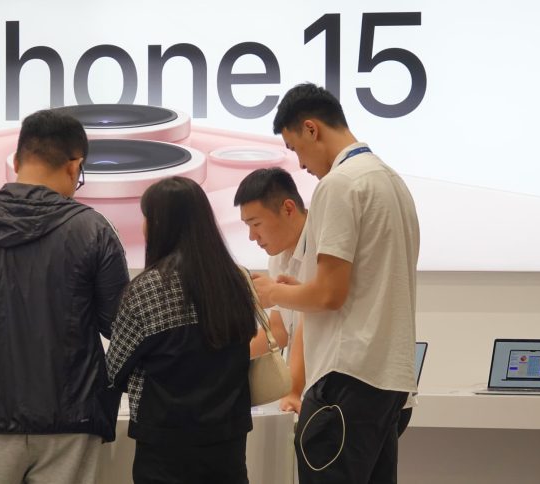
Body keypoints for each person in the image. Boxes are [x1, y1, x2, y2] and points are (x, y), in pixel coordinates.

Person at [0, 109, 129, 484]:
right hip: (71, 418)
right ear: (74, 166)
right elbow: (116, 324)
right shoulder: (94, 229)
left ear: (17, 161)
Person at [253, 83, 420, 484]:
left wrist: (275, 292)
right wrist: (297, 290)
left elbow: (330, 294)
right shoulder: (394, 182)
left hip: (345, 380)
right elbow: (357, 285)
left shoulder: (340, 184)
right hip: (390, 384)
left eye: (295, 148)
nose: (301, 164)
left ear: (311, 129)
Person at [106, 176, 258, 484]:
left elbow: (114, 369)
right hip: (227, 440)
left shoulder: (148, 289)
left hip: (165, 445)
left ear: (160, 224)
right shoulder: (235, 281)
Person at [234, 167, 308, 414]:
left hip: (334, 389)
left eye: (256, 224)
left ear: (288, 209)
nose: (252, 236)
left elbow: (309, 321)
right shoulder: (279, 256)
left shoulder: (323, 244)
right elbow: (278, 330)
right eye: (247, 226)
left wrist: (294, 390)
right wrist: (225, 358)